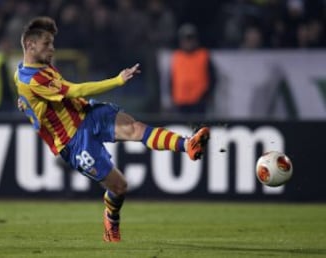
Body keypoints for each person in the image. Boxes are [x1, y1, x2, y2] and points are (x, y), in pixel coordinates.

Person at [14, 17, 210, 242]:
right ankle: (111, 218)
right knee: (120, 186)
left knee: (135, 128)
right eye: (47, 43)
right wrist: (117, 80)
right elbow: (76, 90)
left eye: (52, 42)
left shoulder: (27, 71)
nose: (52, 48)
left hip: (88, 114)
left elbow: (26, 96)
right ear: (30, 45)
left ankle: (188, 144)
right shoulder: (33, 79)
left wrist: (25, 104)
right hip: (73, 141)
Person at [170, 23, 216, 114]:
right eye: (185, 39)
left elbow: (212, 78)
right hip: (180, 102)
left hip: (199, 102)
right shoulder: (177, 56)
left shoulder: (203, 55)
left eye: (190, 38)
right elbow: (171, 79)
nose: (188, 42)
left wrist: (207, 94)